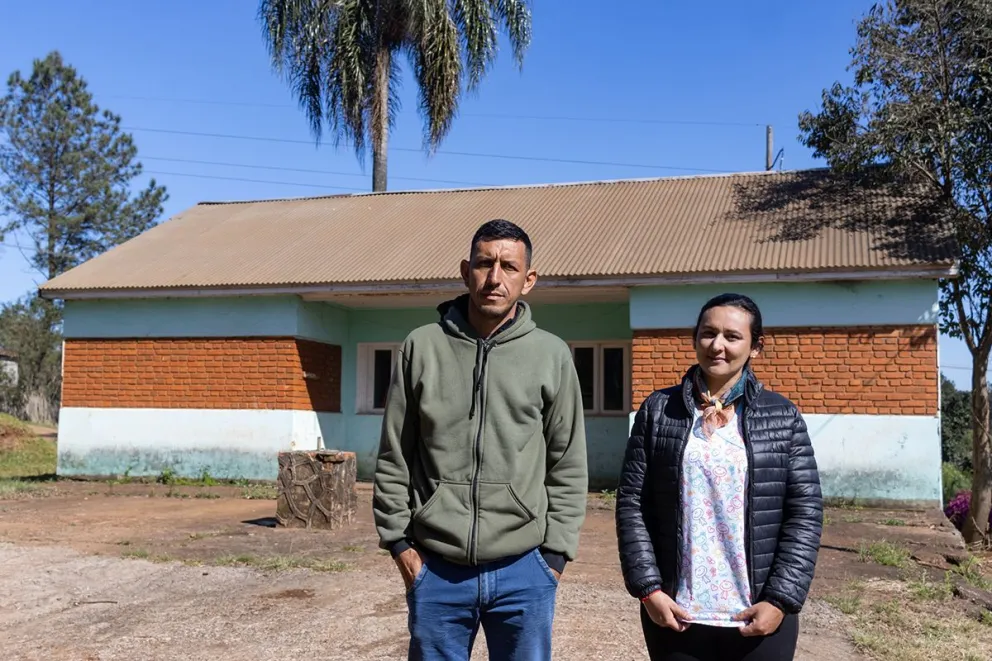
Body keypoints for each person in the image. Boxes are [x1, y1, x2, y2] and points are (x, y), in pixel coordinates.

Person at [372, 218, 589, 661]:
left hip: (525, 569)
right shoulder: (421, 347)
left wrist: (554, 559)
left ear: (528, 280)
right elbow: (395, 452)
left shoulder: (551, 355)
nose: (495, 277)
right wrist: (401, 547)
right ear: (464, 270)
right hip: (436, 568)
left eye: (509, 267)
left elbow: (567, 461)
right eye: (484, 263)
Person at [615, 293, 823, 661]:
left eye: (732, 336)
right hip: (678, 614)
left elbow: (804, 512)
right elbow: (632, 504)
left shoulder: (782, 416)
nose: (717, 345)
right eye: (708, 333)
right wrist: (648, 589)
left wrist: (780, 599)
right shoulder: (658, 411)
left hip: (758, 614)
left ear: (756, 347)